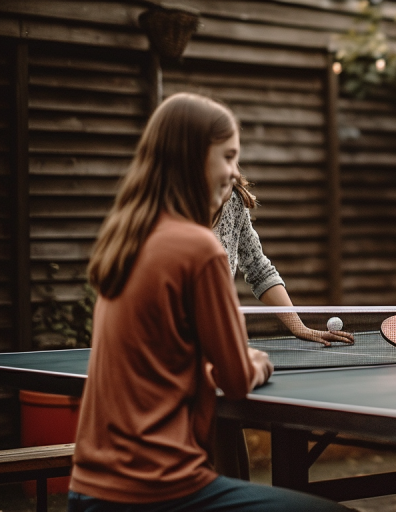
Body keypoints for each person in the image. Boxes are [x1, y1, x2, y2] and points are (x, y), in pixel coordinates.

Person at [71, 92, 356, 512]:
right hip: (156, 491)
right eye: (227, 157)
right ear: (190, 158)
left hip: (91, 488)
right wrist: (257, 360)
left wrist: (290, 327)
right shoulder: (198, 248)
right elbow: (237, 378)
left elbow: (254, 272)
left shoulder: (127, 236)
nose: (235, 171)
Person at [212, 176, 354, 347]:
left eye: (235, 159)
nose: (235, 171)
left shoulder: (234, 202)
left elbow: (258, 268)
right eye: (227, 157)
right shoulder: (173, 211)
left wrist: (298, 327)